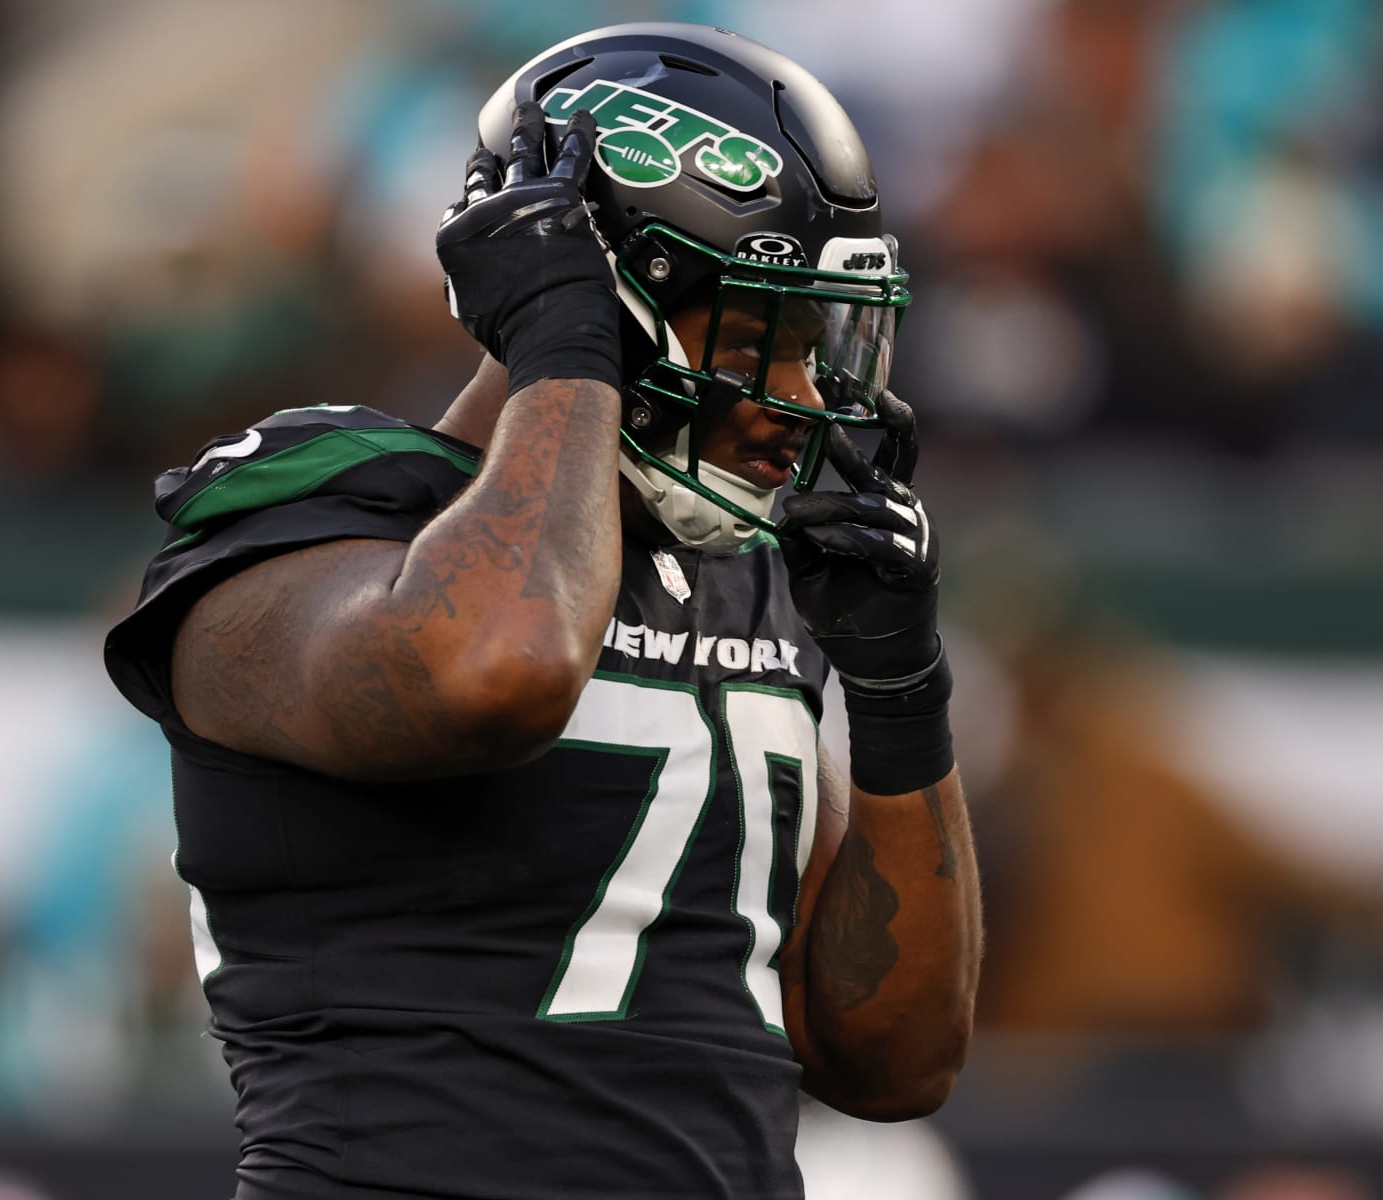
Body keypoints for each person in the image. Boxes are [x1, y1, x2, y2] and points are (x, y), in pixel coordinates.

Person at [103, 22, 981, 1200]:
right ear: (612, 301)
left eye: (816, 347)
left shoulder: (744, 577)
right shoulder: (318, 514)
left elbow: (899, 1061)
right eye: (756, 343)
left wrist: (900, 694)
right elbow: (498, 670)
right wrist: (566, 347)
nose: (797, 400)